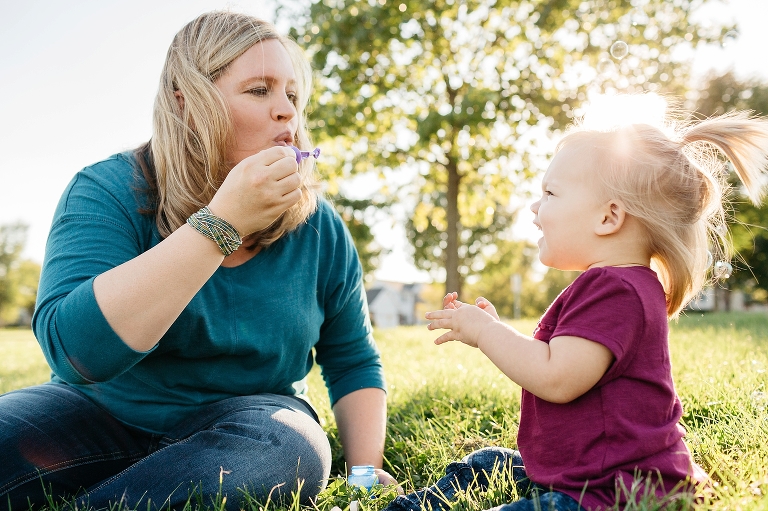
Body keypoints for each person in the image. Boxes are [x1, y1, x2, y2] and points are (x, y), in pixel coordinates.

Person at [0, 11, 396, 510]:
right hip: (96, 412)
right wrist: (221, 223)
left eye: (292, 96)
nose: (287, 114)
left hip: (248, 424)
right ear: (188, 103)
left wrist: (364, 471)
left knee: (289, 451)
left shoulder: (322, 230)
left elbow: (354, 360)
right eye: (259, 90)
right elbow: (77, 353)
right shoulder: (107, 190)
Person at [384, 107, 768, 511]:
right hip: (590, 472)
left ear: (608, 217)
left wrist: (486, 332)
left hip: (612, 492)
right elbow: (560, 361)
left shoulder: (615, 289)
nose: (535, 207)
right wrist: (497, 332)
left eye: (550, 193)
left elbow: (556, 377)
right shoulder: (621, 285)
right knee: (485, 465)